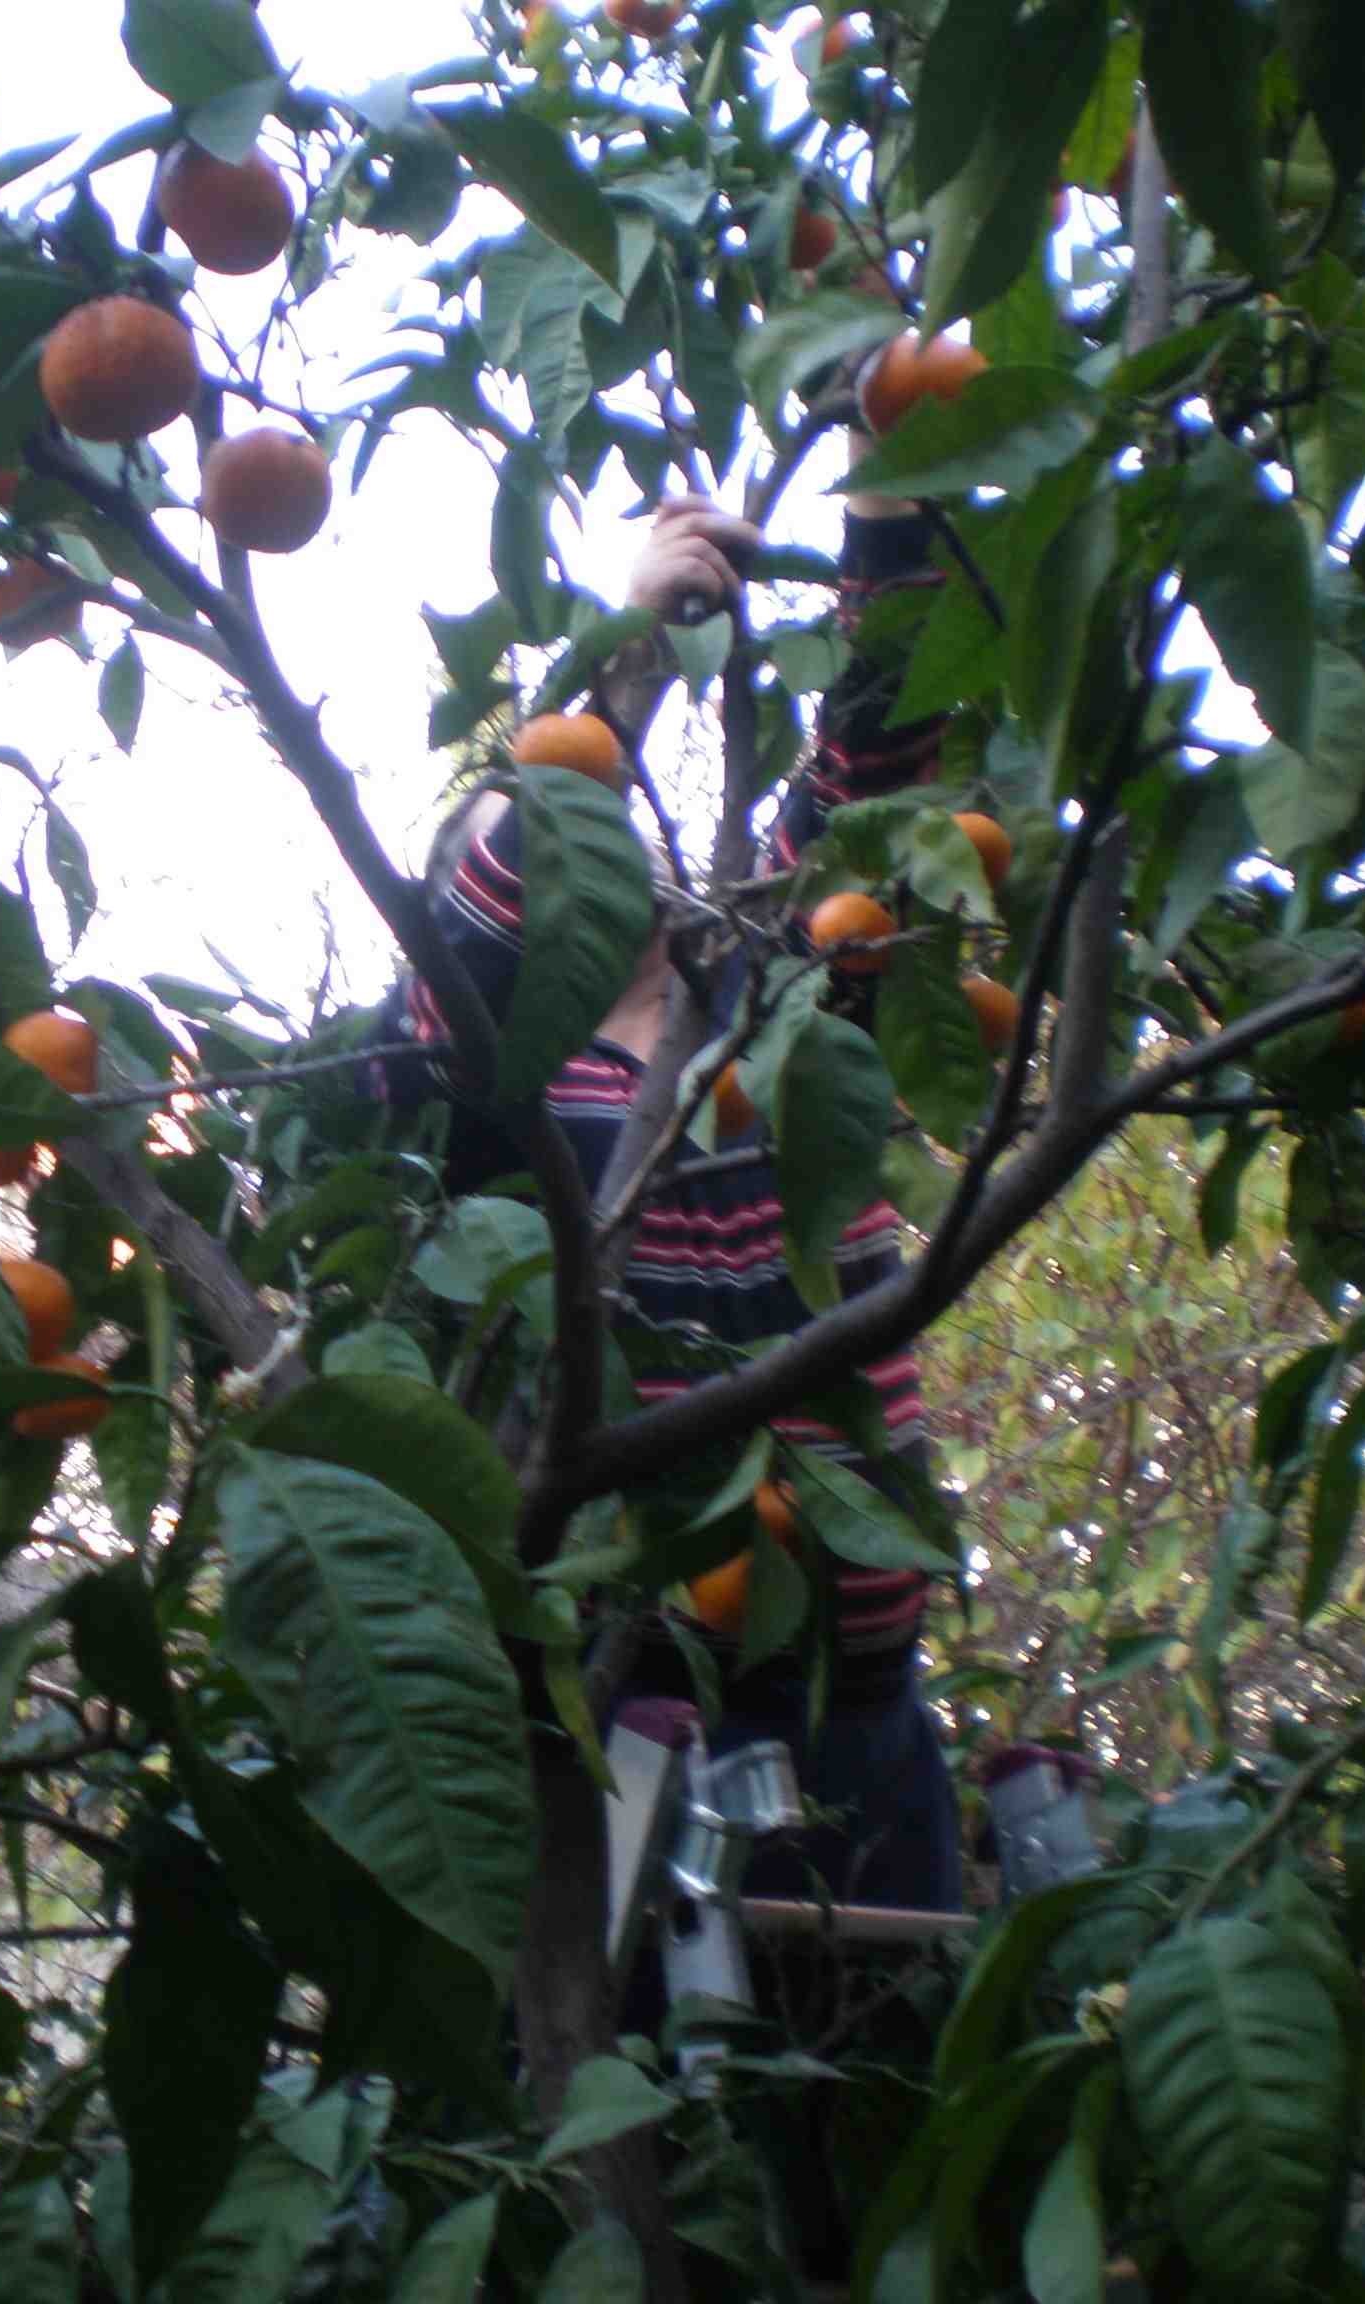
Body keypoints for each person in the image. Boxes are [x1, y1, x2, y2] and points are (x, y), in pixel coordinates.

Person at [375, 461, 965, 1919]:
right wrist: (626, 657)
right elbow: (470, 949)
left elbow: (874, 786)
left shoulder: (772, 1001)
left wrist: (887, 478)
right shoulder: (486, 1091)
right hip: (622, 1710)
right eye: (525, 835)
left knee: (889, 2047)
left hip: (867, 1705)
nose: (581, 837)